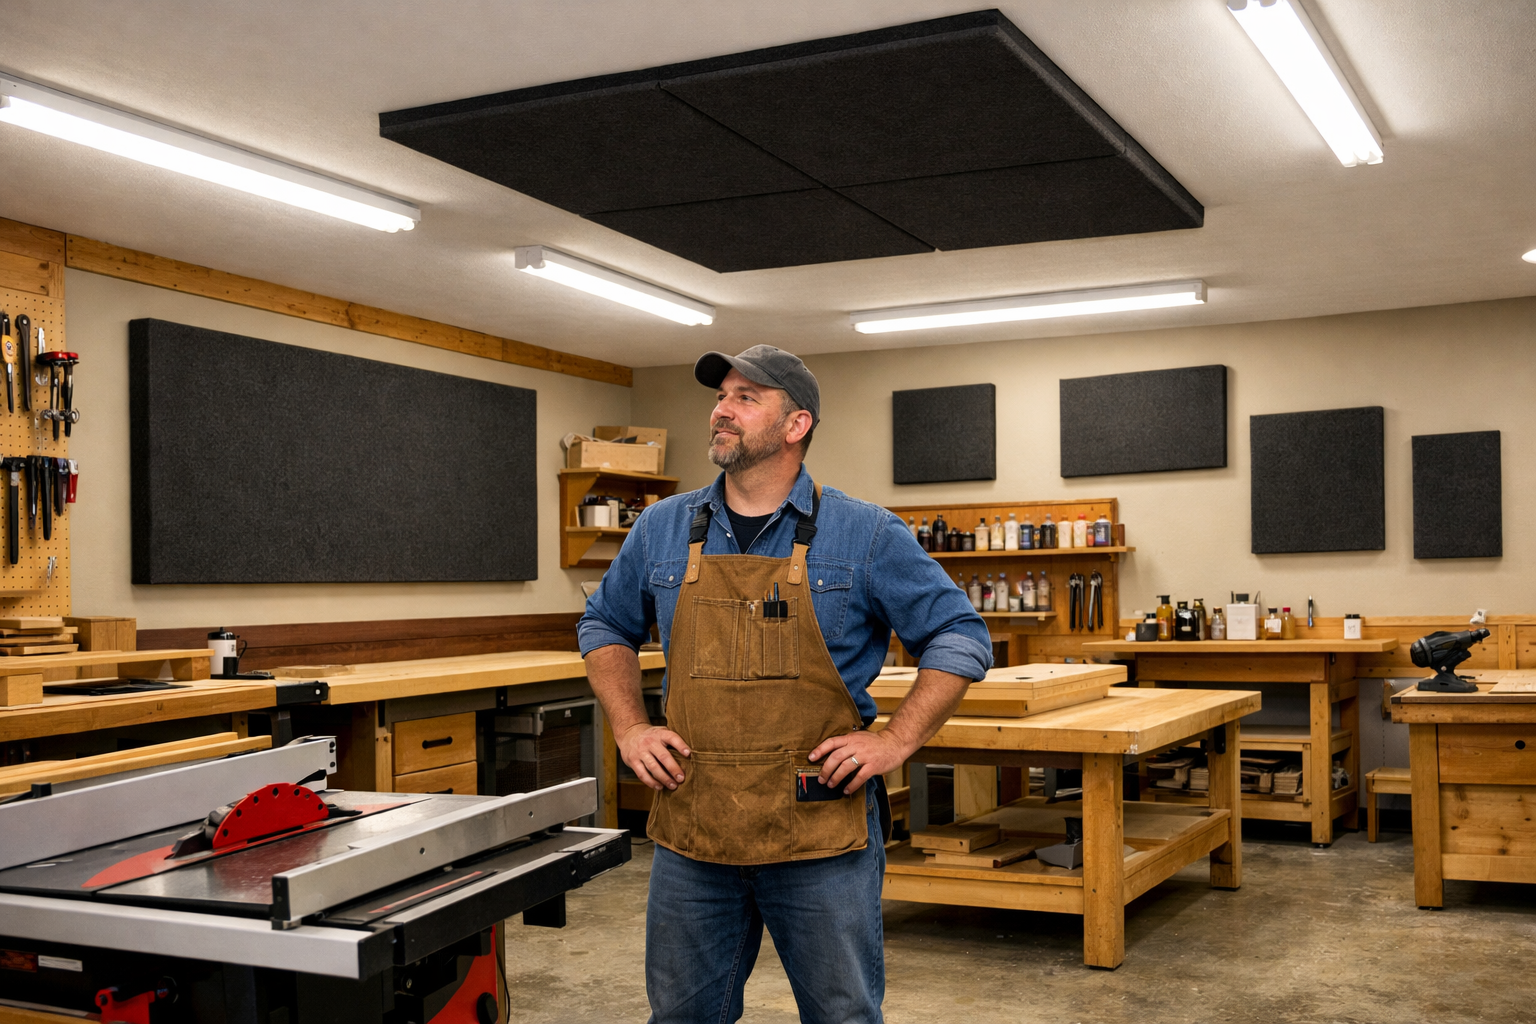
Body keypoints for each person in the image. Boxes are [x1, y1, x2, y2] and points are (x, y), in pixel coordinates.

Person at [579, 345, 991, 1024]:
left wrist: (894, 740)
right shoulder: (662, 527)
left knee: (841, 1015)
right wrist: (630, 725)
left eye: (746, 397)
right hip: (694, 824)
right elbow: (603, 626)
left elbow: (960, 636)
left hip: (819, 828)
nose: (721, 410)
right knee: (681, 1015)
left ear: (796, 425)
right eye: (721, 396)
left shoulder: (865, 532)